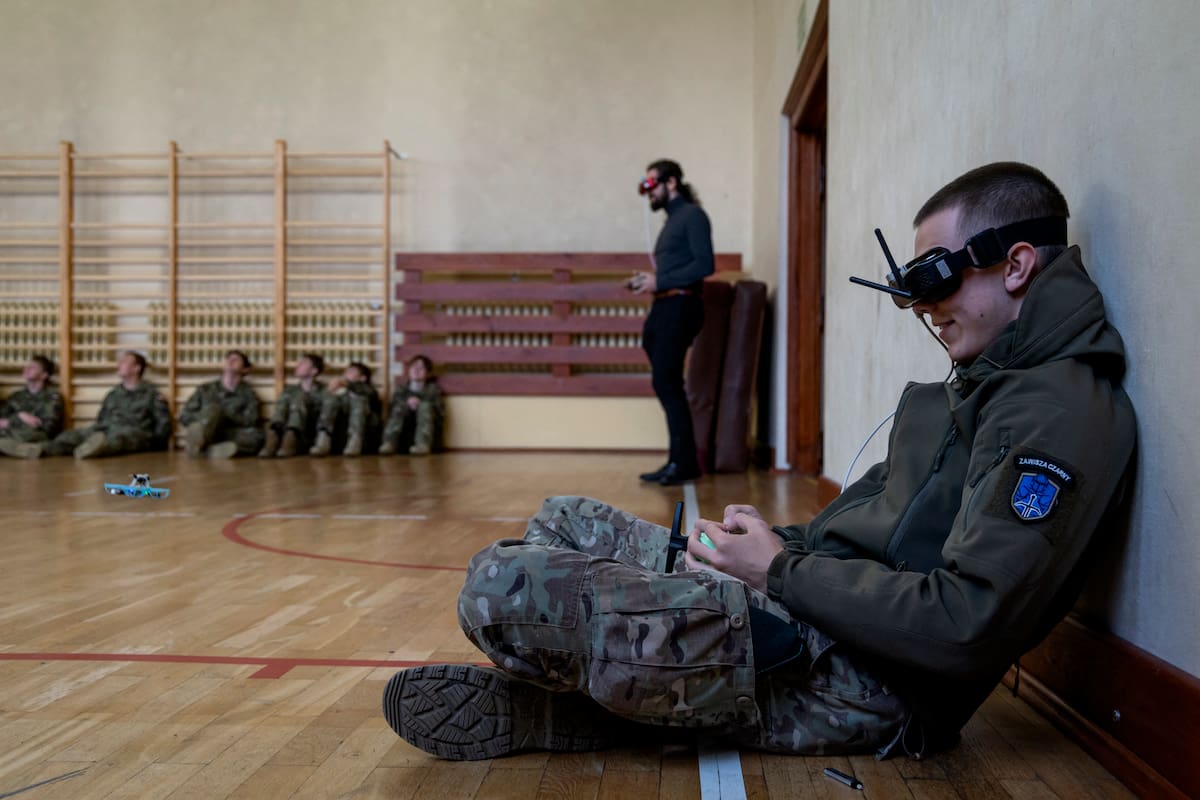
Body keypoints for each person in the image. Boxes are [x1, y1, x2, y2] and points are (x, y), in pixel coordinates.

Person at [381, 163, 1137, 762]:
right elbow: (862, 524)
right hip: (814, 605)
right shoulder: (972, 388)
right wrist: (763, 544)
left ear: (1016, 265)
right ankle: (646, 678)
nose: (922, 307)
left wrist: (776, 573)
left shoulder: (1056, 418)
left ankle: (616, 700)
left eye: (935, 279)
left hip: (864, 676)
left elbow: (966, 624)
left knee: (498, 587)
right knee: (562, 518)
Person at [629, 159, 714, 486]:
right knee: (664, 381)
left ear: (672, 183)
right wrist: (650, 281)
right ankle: (679, 459)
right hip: (665, 305)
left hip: (681, 304)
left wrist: (660, 279)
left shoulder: (692, 215)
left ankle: (684, 462)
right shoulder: (672, 221)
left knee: (667, 382)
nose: (648, 191)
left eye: (653, 183)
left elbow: (705, 264)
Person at [44, 351, 172, 459]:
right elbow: (102, 418)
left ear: (136, 368)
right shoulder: (113, 394)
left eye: (124, 362)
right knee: (72, 436)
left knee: (118, 439)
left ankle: (92, 448)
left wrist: (155, 447)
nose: (119, 364)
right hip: (108, 428)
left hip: (135, 433)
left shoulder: (151, 394)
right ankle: (39, 449)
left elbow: (163, 425)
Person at [179, 349, 264, 459]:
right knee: (213, 410)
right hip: (204, 429)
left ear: (245, 369)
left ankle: (206, 450)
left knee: (258, 437)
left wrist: (226, 416)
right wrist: (206, 418)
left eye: (236, 360)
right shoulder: (205, 389)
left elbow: (251, 420)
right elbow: (185, 415)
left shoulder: (248, 394)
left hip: (228, 434)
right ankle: (200, 442)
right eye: (228, 359)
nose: (231, 361)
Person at [259, 353, 327, 458]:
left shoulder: (324, 391)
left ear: (314, 371)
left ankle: (290, 440)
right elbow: (280, 411)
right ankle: (273, 439)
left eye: (303, 363)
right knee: (283, 404)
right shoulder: (289, 391)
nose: (298, 365)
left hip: (311, 435)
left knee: (299, 400)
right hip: (287, 433)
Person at [309, 361, 382, 457]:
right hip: (339, 426)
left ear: (362, 378)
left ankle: (355, 441)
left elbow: (369, 393)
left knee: (359, 401)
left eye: (351, 372)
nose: (346, 374)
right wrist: (328, 391)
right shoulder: (339, 390)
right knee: (330, 401)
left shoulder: (367, 389)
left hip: (363, 428)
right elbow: (315, 402)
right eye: (346, 371)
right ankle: (323, 440)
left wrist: (348, 385)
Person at [0, 355, 65, 459]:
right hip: (14, 432)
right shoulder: (16, 396)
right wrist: (20, 416)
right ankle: (23, 449)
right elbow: (2, 419)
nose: (26, 369)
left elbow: (47, 428)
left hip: (37, 435)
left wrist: (11, 423)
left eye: (33, 367)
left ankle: (24, 449)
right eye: (26, 366)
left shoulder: (52, 397)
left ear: (44, 375)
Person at [379, 355, 444, 456]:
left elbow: (440, 412)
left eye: (421, 368)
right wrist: (407, 402)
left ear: (428, 373)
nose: (416, 370)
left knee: (425, 407)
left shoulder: (433, 390)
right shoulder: (401, 389)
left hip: (428, 429)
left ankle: (422, 445)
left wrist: (420, 403)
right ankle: (389, 443)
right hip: (405, 427)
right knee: (400, 406)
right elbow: (392, 409)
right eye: (413, 367)